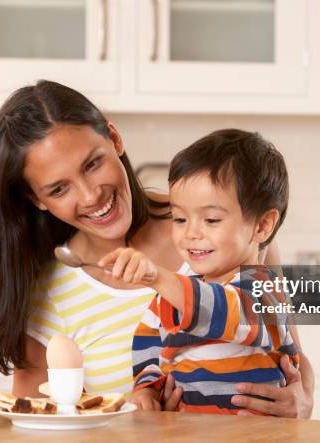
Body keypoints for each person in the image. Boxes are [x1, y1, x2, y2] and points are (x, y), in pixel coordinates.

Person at [0, 80, 314, 418]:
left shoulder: (229, 230)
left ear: (115, 139)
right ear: (36, 200)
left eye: (92, 163)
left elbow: (289, 350)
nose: (90, 195)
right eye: (58, 189)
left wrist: (302, 400)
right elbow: (41, 421)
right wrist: (141, 412)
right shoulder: (48, 293)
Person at [99, 129, 300, 414]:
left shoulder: (263, 287)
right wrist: (146, 389)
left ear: (262, 226)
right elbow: (149, 352)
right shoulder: (168, 300)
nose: (191, 233)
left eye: (211, 219)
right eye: (180, 218)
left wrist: (159, 276)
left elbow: (225, 312)